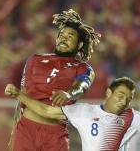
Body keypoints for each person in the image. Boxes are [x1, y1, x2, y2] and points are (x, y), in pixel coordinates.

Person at [5, 77, 140, 151]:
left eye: (129, 97)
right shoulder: (83, 111)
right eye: (120, 93)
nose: (124, 99)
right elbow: (46, 110)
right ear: (108, 92)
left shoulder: (132, 116)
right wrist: (19, 95)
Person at [9, 9, 101, 151]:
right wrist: (14, 134)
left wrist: (69, 94)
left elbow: (82, 85)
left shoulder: (83, 68)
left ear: (80, 44)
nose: (64, 38)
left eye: (70, 36)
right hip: (26, 130)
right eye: (61, 35)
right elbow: (22, 97)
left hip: (55, 135)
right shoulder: (34, 59)